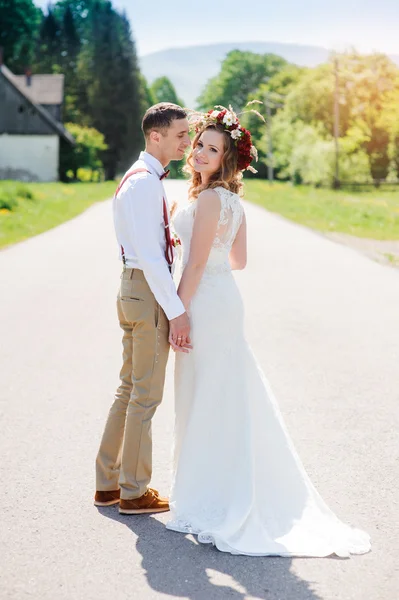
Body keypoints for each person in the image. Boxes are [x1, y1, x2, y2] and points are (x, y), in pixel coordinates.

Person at [166, 105, 371, 557]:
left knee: (206, 394)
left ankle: (211, 494)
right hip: (225, 300)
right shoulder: (231, 201)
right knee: (222, 392)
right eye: (199, 144)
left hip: (202, 302)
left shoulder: (209, 200)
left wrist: (178, 311)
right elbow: (236, 261)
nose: (199, 152)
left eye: (211, 149)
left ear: (227, 159)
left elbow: (197, 263)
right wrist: (207, 248)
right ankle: (219, 483)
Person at [94, 102, 192, 515]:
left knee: (130, 389)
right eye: (181, 135)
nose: (187, 142)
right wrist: (177, 311)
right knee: (145, 396)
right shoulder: (143, 183)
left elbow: (150, 247)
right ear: (156, 136)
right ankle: (134, 491)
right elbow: (151, 260)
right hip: (146, 290)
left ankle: (108, 484)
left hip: (134, 288)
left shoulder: (145, 180)